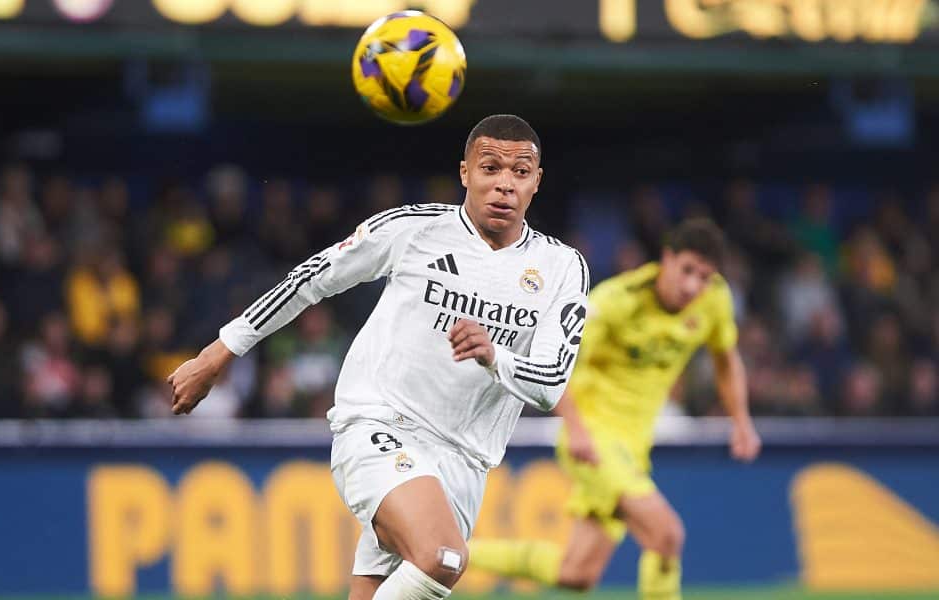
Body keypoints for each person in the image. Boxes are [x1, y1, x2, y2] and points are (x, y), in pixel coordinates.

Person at [167, 114, 589, 600]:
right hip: (379, 424)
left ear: (537, 181)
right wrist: (219, 353)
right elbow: (312, 279)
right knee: (442, 557)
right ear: (465, 173)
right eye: (490, 168)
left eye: (519, 173)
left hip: (467, 460)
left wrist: (496, 357)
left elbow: (552, 381)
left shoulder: (562, 267)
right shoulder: (412, 229)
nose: (504, 185)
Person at [469, 218, 762, 600]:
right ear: (667, 259)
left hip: (633, 448)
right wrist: (574, 428)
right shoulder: (615, 301)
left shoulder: (715, 300)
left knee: (576, 573)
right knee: (666, 534)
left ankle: (448, 555)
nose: (693, 286)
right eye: (687, 270)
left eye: (704, 277)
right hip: (592, 439)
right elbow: (559, 363)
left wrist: (741, 422)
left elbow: (725, 358)